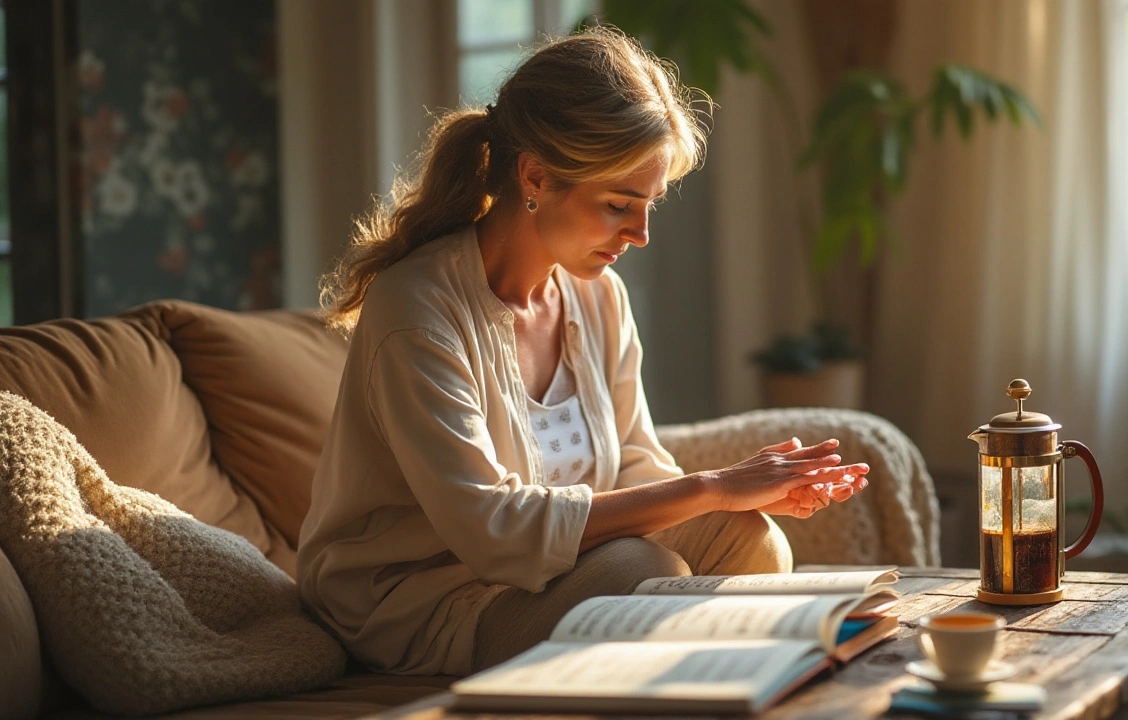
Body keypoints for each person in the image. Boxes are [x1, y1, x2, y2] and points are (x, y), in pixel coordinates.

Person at [296, 27, 871, 678]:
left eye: (648, 205)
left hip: (551, 572)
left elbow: (634, 467)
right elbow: (492, 530)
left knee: (748, 542)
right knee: (641, 571)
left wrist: (741, 498)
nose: (641, 234)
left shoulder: (599, 298)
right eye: (620, 205)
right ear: (535, 175)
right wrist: (713, 485)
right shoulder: (418, 310)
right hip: (423, 601)